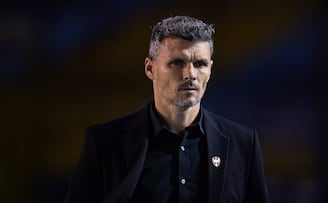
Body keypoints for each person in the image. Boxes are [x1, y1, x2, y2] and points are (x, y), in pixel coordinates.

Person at [64, 15, 269, 203]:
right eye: (177, 63)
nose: (190, 74)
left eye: (200, 63)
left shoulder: (243, 145)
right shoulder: (104, 143)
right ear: (150, 68)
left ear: (211, 69)